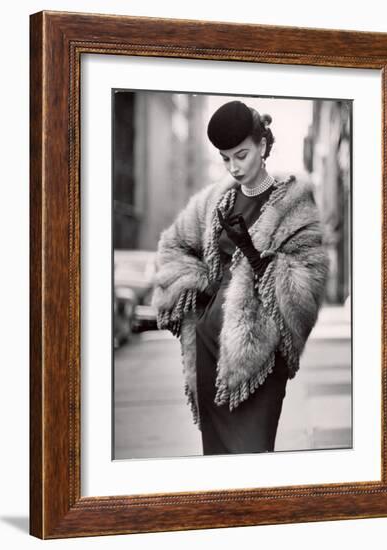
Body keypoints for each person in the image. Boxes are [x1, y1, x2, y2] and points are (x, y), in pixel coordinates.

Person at [152, 100, 328, 455]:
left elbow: (309, 286)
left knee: (254, 455)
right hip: (208, 350)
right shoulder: (215, 201)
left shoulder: (295, 204)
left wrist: (251, 250)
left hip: (260, 360)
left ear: (262, 147)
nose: (233, 167)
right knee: (218, 464)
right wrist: (196, 294)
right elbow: (172, 247)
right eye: (225, 158)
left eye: (241, 155)